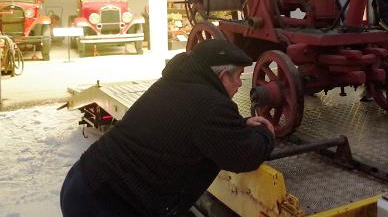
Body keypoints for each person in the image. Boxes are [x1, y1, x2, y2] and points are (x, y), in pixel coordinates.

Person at [60, 39, 275, 217]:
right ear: (222, 76)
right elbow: (244, 155)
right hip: (105, 203)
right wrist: (265, 132)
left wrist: (239, 124)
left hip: (86, 180)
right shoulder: (209, 105)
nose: (240, 84)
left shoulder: (177, 83)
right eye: (237, 76)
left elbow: (191, 125)